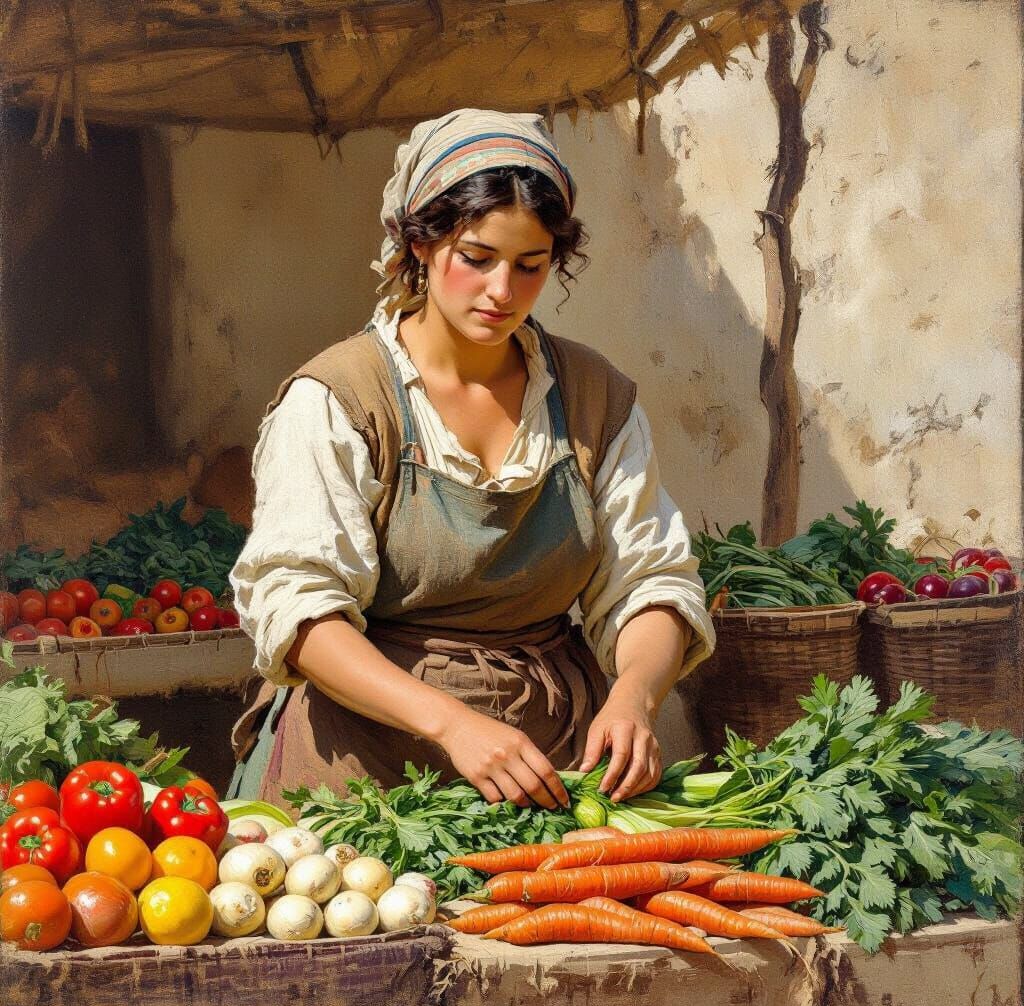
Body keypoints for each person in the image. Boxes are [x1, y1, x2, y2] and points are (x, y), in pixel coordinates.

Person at [226, 109, 714, 814]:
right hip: (371, 768)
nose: (501, 292)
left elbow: (647, 579)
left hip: (555, 762)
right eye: (477, 258)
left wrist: (635, 696)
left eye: (530, 266)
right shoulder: (340, 400)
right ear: (420, 244)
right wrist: (451, 723)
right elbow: (300, 613)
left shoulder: (591, 397)